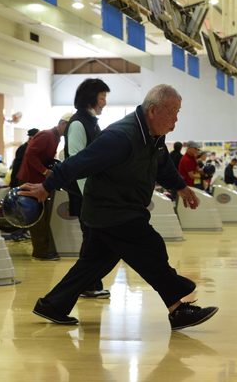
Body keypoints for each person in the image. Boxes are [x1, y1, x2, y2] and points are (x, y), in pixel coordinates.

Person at [20, 84, 218, 330]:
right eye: (174, 112)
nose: (176, 120)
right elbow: (79, 162)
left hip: (118, 208)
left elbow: (162, 164)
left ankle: (53, 305)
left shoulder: (153, 136)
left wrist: (181, 187)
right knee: (151, 249)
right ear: (154, 111)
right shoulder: (121, 137)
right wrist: (46, 187)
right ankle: (177, 309)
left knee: (94, 263)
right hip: (112, 209)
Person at [63, 78, 111, 299]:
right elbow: (76, 162)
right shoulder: (78, 123)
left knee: (94, 240)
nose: (104, 103)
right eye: (103, 97)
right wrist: (89, 195)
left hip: (93, 194)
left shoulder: (92, 122)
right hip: (85, 195)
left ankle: (90, 284)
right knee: (91, 239)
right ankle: (84, 285)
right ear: (92, 98)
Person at [17, 114, 71, 260]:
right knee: (38, 217)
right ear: (62, 124)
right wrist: (45, 171)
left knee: (43, 216)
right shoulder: (46, 135)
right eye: (69, 126)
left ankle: (43, 249)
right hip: (32, 180)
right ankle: (41, 252)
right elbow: (30, 155)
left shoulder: (55, 137)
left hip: (38, 181)